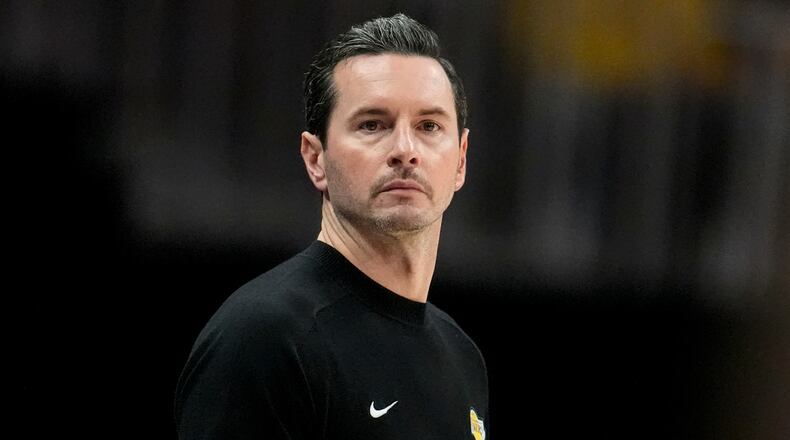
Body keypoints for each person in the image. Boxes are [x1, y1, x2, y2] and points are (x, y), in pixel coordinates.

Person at [174, 13, 488, 439]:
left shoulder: (461, 356)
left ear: (461, 159)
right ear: (315, 158)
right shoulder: (265, 337)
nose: (405, 149)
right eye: (372, 125)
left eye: (429, 126)